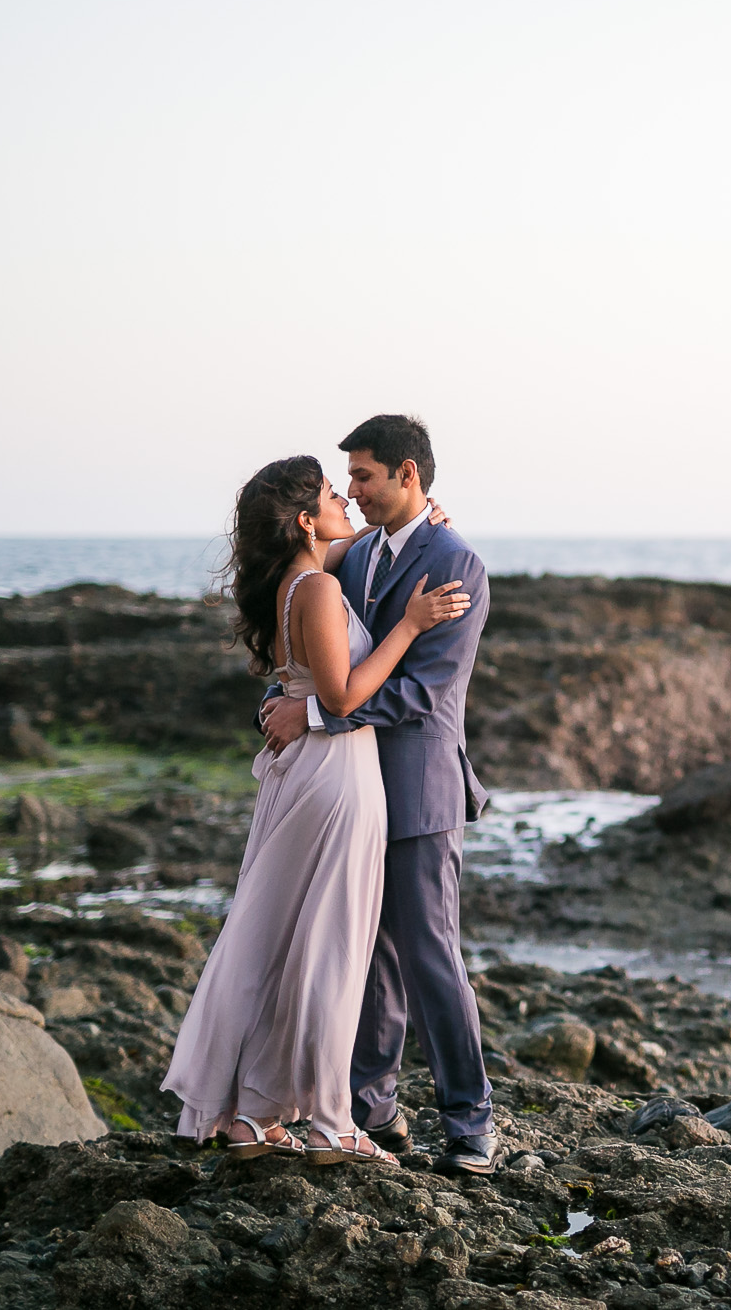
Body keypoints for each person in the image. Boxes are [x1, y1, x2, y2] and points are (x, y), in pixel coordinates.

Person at [161, 455, 467, 1165]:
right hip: (338, 778)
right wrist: (411, 624)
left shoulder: (294, 580)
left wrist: (418, 524)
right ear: (305, 519)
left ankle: (254, 1114)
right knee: (333, 947)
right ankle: (333, 1120)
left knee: (286, 941)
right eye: (335, 493)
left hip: (307, 777)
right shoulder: (321, 590)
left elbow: (353, 542)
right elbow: (345, 695)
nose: (348, 502)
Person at [258, 413, 500, 1176]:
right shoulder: (355, 555)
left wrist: (316, 715)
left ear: (408, 475)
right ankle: (372, 1107)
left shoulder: (456, 562)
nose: (353, 491)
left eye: (363, 476)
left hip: (420, 786)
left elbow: (425, 693)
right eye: (348, 481)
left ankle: (470, 1125)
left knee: (429, 953)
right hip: (350, 786)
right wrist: (281, 697)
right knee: (369, 955)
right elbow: (317, 642)